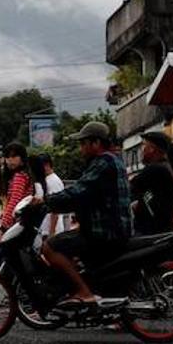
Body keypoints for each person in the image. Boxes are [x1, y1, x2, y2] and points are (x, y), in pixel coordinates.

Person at [35, 122, 133, 308]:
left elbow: (79, 191)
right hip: (111, 229)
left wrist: (45, 202)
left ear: (96, 143)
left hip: (104, 232)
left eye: (83, 143)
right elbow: (86, 197)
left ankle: (84, 292)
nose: (81, 149)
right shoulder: (114, 160)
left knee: (50, 247)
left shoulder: (103, 163)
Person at [131, 132, 173, 236]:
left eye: (144, 145)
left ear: (152, 148)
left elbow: (130, 186)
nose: (142, 150)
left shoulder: (155, 169)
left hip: (152, 234)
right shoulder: (164, 167)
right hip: (160, 231)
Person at [39, 155, 68, 240]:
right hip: (46, 229)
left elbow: (55, 209)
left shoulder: (53, 181)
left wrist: (51, 233)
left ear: (47, 165)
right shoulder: (47, 180)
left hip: (52, 231)